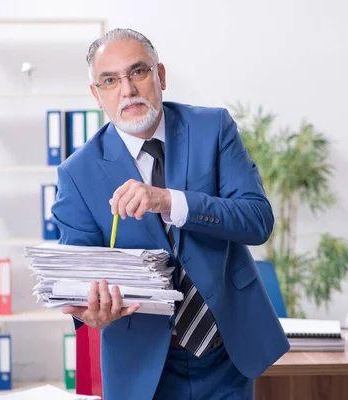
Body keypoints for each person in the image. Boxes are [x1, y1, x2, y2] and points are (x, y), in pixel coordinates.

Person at [50, 28, 290, 400]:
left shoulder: (212, 128)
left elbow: (257, 220)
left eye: (138, 72)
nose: (127, 90)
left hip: (227, 350)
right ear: (97, 96)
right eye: (110, 81)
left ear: (160, 76)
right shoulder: (77, 174)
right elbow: (82, 276)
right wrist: (88, 313)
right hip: (142, 362)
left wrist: (170, 201)